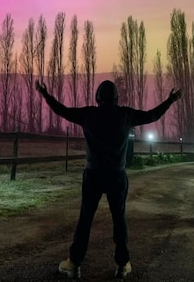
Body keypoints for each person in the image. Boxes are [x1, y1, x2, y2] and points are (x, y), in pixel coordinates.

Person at [35, 79, 182, 279]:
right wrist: (170, 100)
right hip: (117, 176)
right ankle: (122, 264)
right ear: (115, 97)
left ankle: (74, 263)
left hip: (93, 175)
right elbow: (152, 115)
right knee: (119, 219)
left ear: (97, 97)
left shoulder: (88, 115)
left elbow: (62, 110)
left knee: (85, 218)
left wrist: (45, 94)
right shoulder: (125, 115)